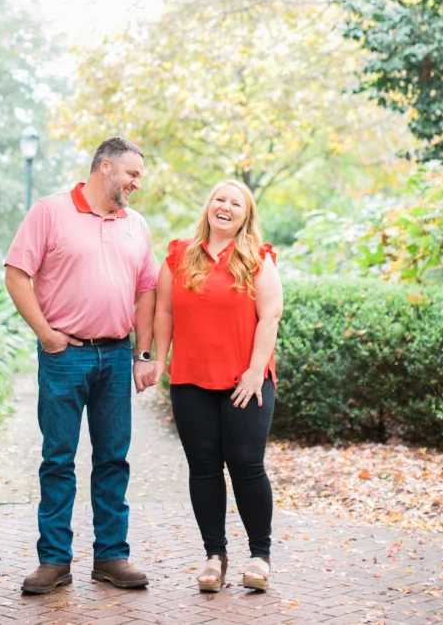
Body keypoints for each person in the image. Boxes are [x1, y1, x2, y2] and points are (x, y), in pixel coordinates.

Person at [4, 137, 159, 595]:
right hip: (64, 356)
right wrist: (47, 335)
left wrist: (143, 353)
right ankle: (54, 561)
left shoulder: (136, 224)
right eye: (131, 174)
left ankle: (112, 556)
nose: (136, 184)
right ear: (105, 167)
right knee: (58, 459)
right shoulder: (49, 212)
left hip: (115, 356)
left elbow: (147, 289)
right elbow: (16, 274)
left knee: (113, 459)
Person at [150, 179, 283, 594]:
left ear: (246, 216)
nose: (225, 207)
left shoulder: (257, 258)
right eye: (219, 200)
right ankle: (214, 555)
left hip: (246, 381)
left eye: (236, 204)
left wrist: (254, 370)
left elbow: (271, 315)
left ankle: (260, 556)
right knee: (204, 468)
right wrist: (158, 360)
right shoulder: (178, 254)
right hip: (190, 379)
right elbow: (165, 311)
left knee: (246, 464)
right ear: (208, 206)